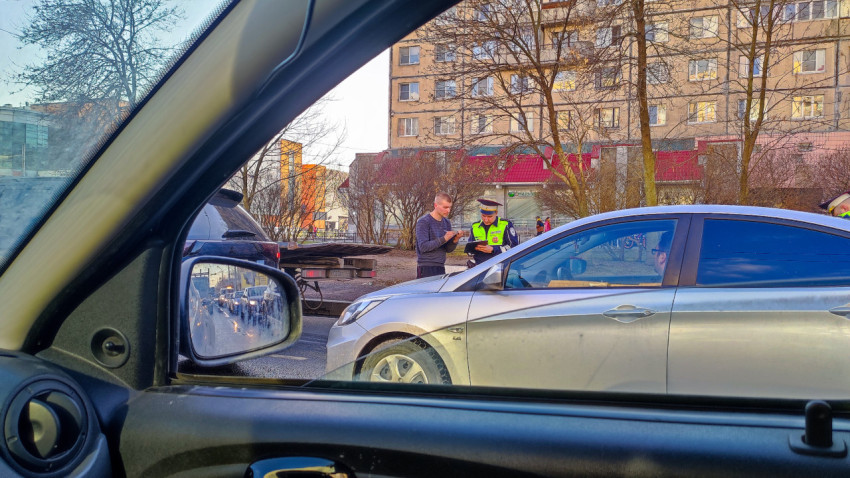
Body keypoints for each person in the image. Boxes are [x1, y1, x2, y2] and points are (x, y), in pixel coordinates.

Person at [415, 192, 465, 278]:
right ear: (435, 205)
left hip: (440, 266)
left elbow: (448, 249)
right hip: (426, 266)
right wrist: (444, 239)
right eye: (445, 207)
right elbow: (423, 246)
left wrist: (455, 240)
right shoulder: (424, 222)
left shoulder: (447, 222)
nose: (448, 210)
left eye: (449, 207)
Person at [467, 198, 519, 267]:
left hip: (500, 267)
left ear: (496, 213)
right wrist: (472, 250)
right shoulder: (475, 226)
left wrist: (493, 249)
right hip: (480, 267)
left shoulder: (505, 225)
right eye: (483, 216)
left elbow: (514, 247)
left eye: (489, 216)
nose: (486, 219)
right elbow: (469, 249)